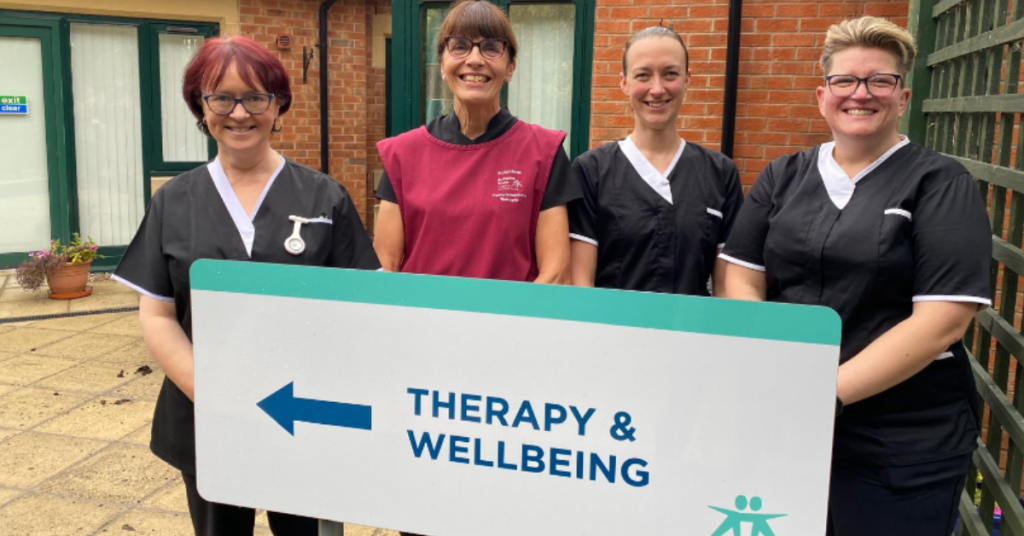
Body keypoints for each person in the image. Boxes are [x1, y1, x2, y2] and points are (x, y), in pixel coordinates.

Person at [720, 17, 991, 536]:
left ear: (902, 95)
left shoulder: (939, 183)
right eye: (845, 81)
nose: (860, 94)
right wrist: (769, 359)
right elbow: (740, 273)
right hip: (788, 430)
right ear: (823, 95)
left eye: (879, 81)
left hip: (901, 443)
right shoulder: (783, 176)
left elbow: (942, 321)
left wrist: (822, 392)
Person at [112, 35, 380, 536]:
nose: (239, 113)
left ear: (278, 105)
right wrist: (211, 390)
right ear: (200, 105)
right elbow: (158, 313)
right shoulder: (175, 201)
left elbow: (360, 310)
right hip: (206, 415)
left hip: (303, 414)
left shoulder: (325, 197)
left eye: (256, 97)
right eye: (222, 97)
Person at [374, 0, 579, 284]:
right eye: (459, 46)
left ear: (510, 67)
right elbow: (387, 267)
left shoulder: (544, 153)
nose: (474, 59)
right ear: (442, 65)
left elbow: (555, 273)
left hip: (509, 324)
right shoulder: (402, 154)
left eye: (491, 48)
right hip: (422, 323)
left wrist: (499, 326)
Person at [568, 26, 742, 295]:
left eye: (670, 74)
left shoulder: (720, 173)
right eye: (643, 75)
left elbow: (727, 289)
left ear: (687, 78)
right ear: (624, 82)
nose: (657, 89)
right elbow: (581, 287)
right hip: (611, 333)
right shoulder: (591, 171)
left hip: (693, 333)